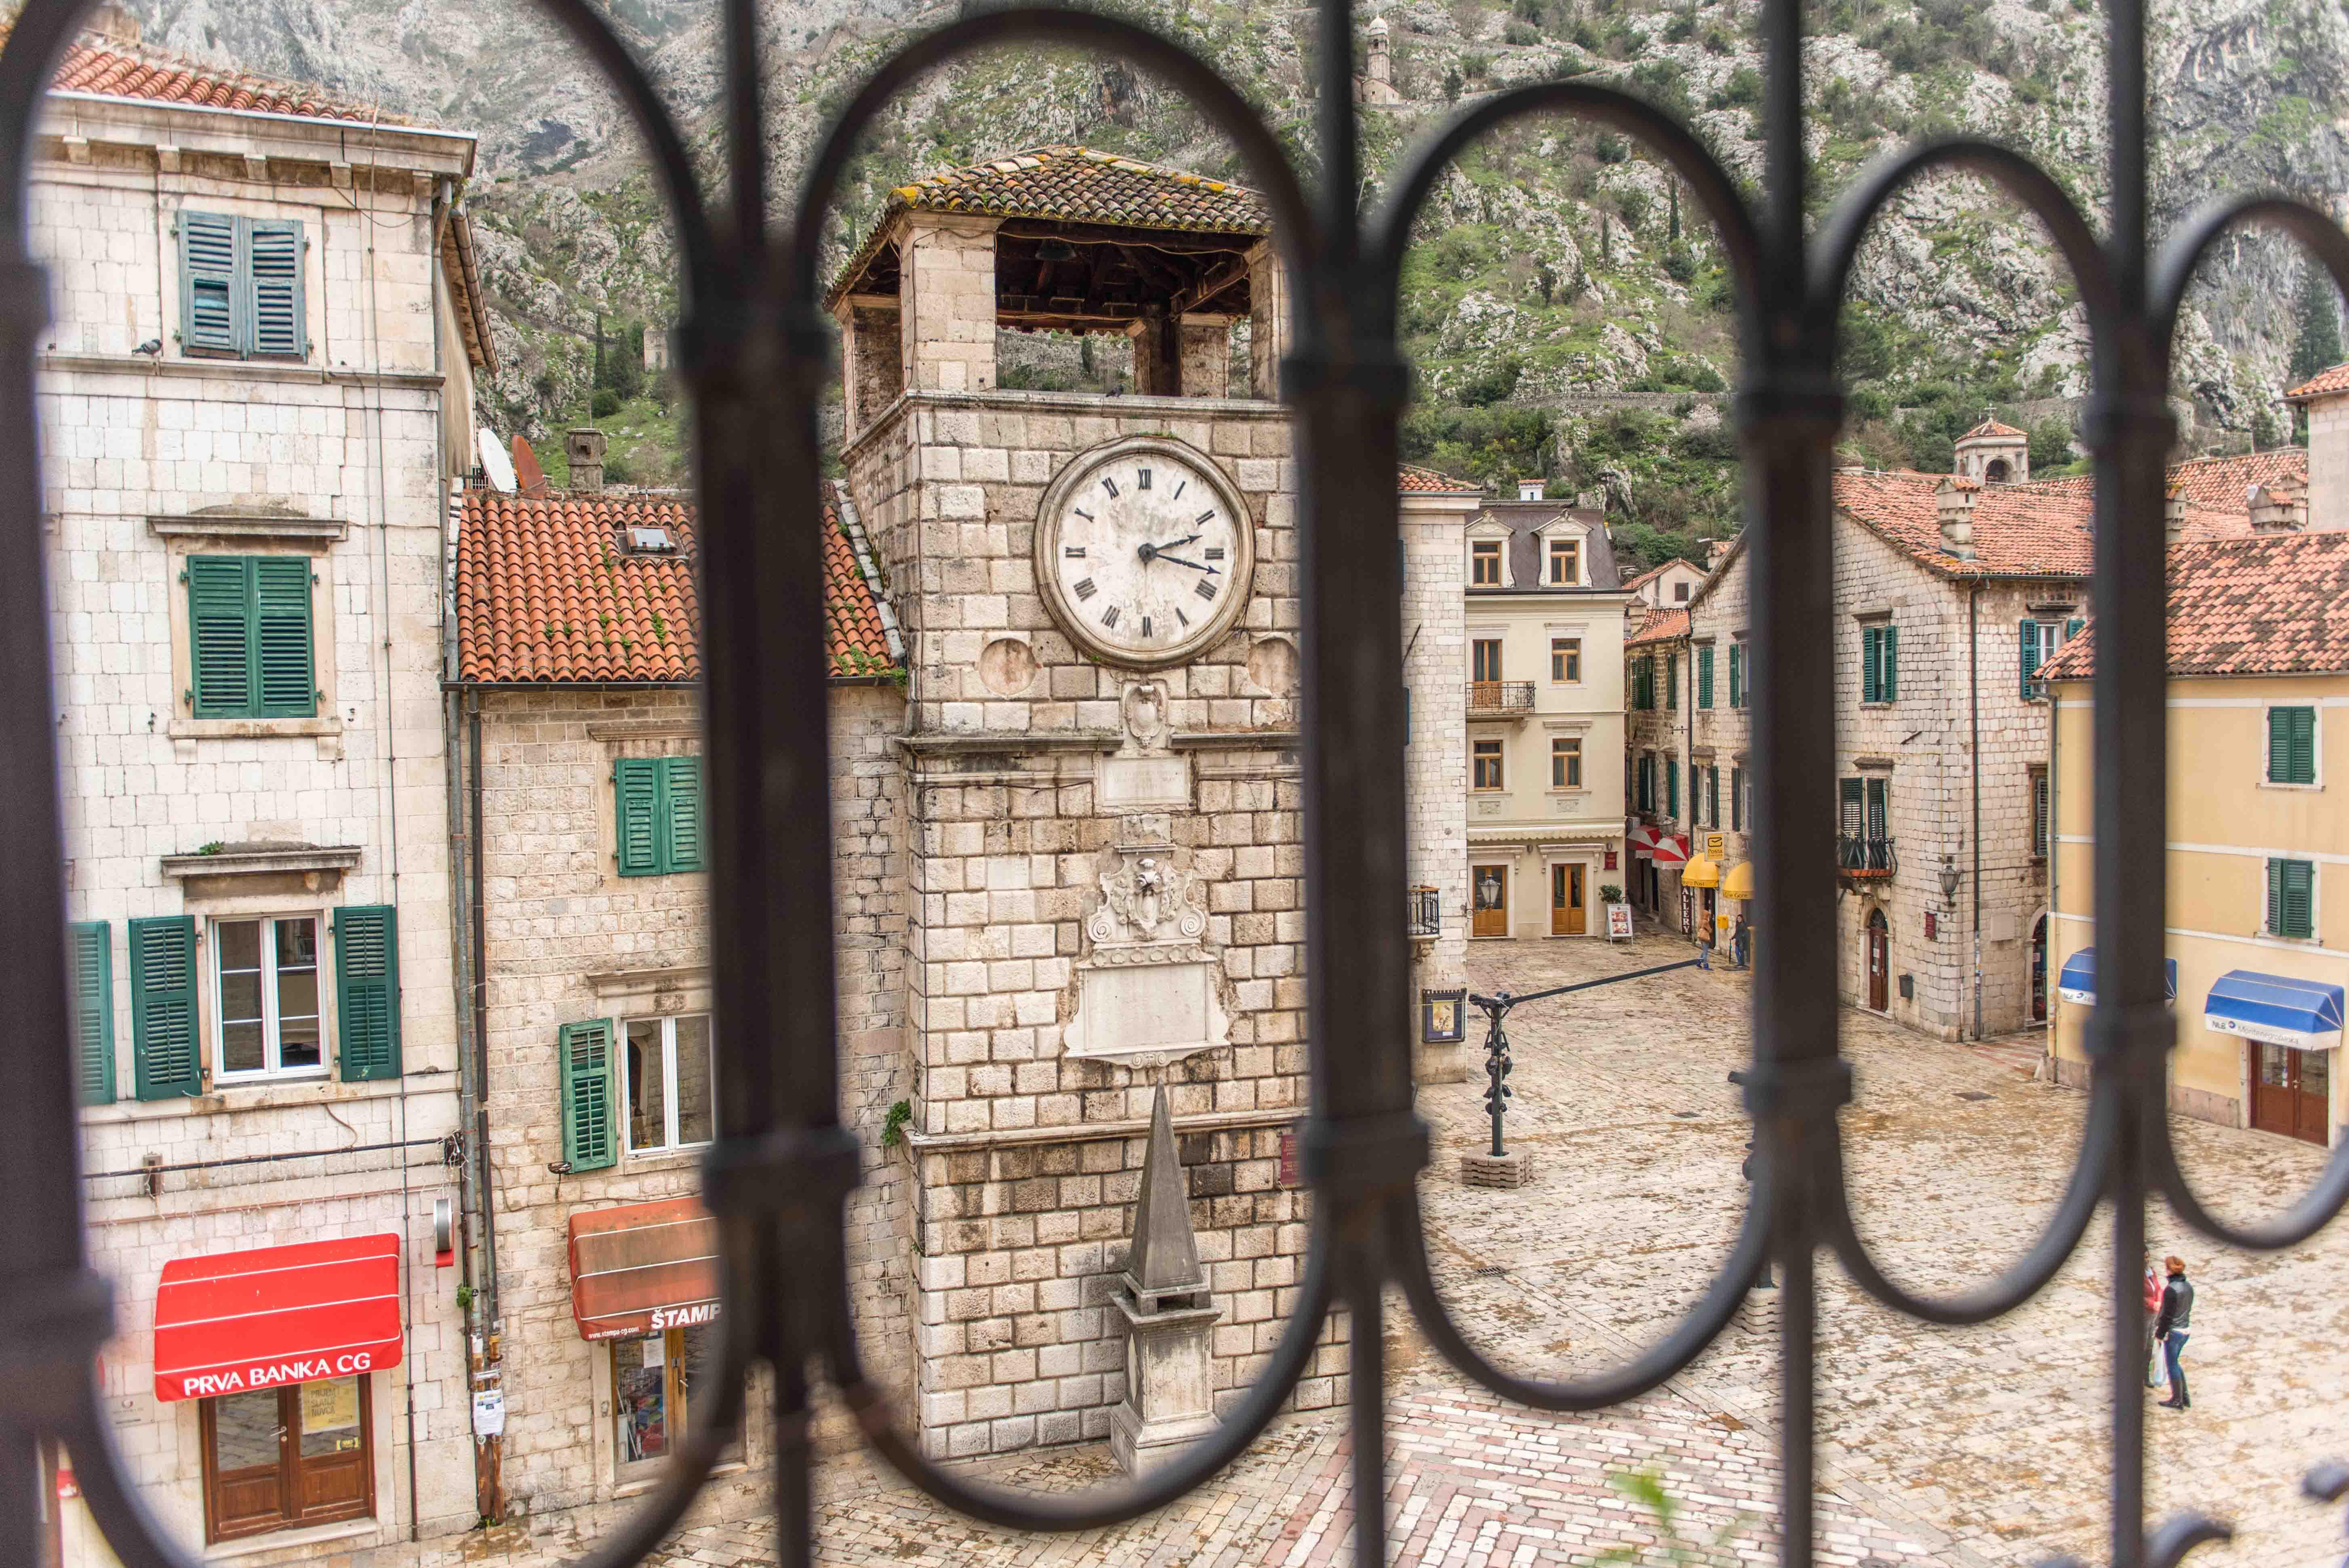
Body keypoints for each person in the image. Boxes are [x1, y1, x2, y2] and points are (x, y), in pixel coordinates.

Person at [2154, 1255, 2194, 1410]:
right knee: (2176, 1362)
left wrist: (2159, 1334)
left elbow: (2167, 1316)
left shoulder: (2171, 1290)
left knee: (2172, 1365)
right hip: (2185, 1329)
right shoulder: (2189, 1287)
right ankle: (2184, 1396)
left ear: (2169, 1270)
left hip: (2174, 1332)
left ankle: (2177, 1399)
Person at [2143, 1258, 2164, 1390]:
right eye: (2144, 1257)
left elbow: (2159, 1289)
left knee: (2150, 1346)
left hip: (2153, 1315)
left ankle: (2146, 1375)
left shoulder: (2151, 1273)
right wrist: (2152, 1304)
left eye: (2148, 1257)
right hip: (2144, 1315)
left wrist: (2159, 1302)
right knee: (2143, 1345)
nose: (2147, 1260)